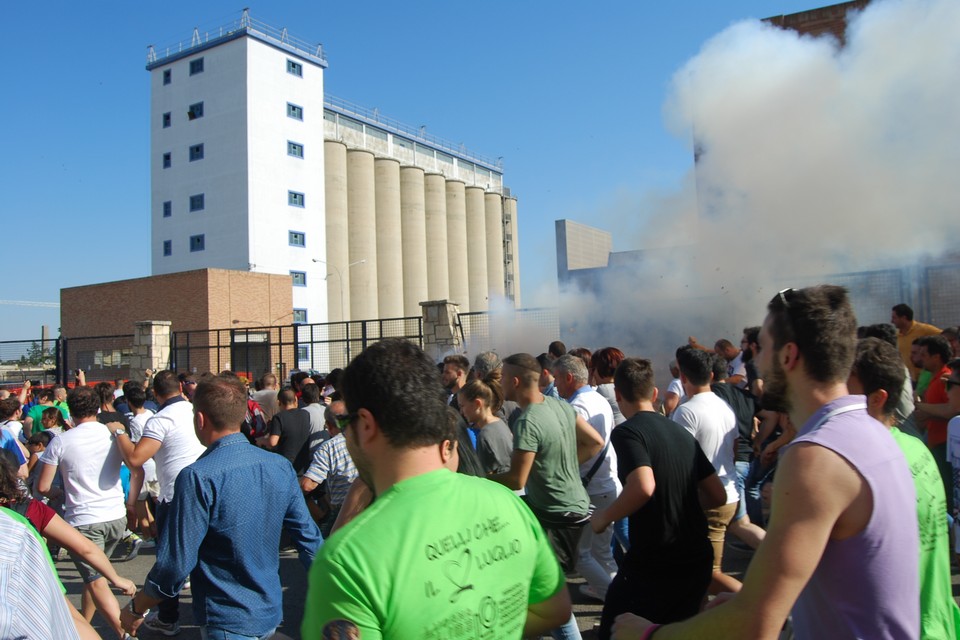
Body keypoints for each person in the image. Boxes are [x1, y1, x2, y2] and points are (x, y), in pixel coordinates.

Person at [612, 285, 919, 639]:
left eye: (763, 349)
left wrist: (650, 635)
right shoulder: (874, 429)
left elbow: (754, 625)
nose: (755, 361)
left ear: (788, 356)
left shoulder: (816, 456)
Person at [302, 339, 572, 639]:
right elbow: (555, 610)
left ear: (365, 424)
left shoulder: (345, 562)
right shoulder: (507, 503)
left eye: (344, 422)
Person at [120, 375, 322, 639]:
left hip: (226, 616)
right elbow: (309, 539)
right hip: (269, 610)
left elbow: (176, 565)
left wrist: (137, 608)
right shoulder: (279, 467)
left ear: (200, 419)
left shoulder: (197, 476)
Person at [591, 358, 725, 639]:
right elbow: (717, 494)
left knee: (616, 629)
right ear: (654, 394)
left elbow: (643, 486)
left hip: (656, 560)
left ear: (617, 395)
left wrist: (604, 517)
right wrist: (679, 499)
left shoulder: (627, 432)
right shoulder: (680, 432)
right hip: (696, 556)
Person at [849, 337, 960, 638]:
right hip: (936, 623)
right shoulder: (914, 448)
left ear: (877, 398)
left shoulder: (867, 459)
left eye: (844, 390)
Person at [494, 352, 604, 640]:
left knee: (543, 594)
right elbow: (595, 442)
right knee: (541, 588)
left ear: (515, 381)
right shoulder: (560, 405)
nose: (500, 382)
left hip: (557, 515)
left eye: (503, 377)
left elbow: (517, 478)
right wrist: (562, 462)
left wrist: (480, 481)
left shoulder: (526, 421)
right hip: (576, 506)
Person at [107, 369, 206, 635]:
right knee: (204, 556)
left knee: (169, 560)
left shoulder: (161, 419)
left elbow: (137, 458)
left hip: (175, 496)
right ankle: (205, 614)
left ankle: (168, 617)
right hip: (204, 491)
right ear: (182, 388)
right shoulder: (196, 409)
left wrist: (119, 434)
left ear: (156, 394)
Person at [37, 385, 133, 640]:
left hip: (84, 519)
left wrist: (60, 494)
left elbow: (43, 487)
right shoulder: (113, 434)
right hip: (115, 516)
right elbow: (134, 463)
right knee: (93, 577)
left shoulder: (61, 441)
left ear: (70, 411)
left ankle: (125, 633)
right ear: (98, 408)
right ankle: (85, 623)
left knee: (97, 581)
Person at [671, 346, 742, 593]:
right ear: (711, 375)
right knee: (698, 575)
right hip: (729, 493)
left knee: (709, 575)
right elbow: (733, 450)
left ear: (683, 378)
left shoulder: (686, 411)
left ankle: (758, 605)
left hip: (705, 501)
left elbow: (679, 460)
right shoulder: (724, 406)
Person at [552, 353, 621, 602]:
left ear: (569, 378)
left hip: (590, 488)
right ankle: (621, 600)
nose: (556, 385)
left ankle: (616, 601)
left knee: (580, 555)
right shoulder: (597, 398)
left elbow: (566, 449)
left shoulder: (575, 408)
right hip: (605, 483)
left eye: (557, 379)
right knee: (601, 553)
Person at [299, 399, 359, 537]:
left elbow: (308, 485)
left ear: (329, 425)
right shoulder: (366, 439)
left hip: (343, 511)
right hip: (370, 507)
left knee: (325, 548)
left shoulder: (329, 447)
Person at [458, 376, 513, 474]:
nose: (461, 412)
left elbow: (486, 477)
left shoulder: (484, 435)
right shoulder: (500, 423)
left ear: (477, 404)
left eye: (462, 406)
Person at [892, 303, 940, 382]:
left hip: (925, 378)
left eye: (894, 318)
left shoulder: (924, 329)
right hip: (910, 379)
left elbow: (944, 337)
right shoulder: (897, 335)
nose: (892, 321)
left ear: (904, 318)